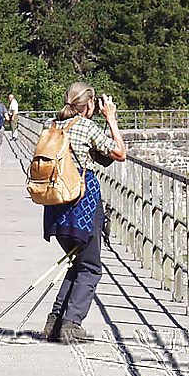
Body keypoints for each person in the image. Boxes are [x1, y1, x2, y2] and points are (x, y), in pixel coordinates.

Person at [42, 83, 126, 344]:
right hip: (81, 207)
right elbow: (120, 153)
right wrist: (111, 118)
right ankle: (71, 324)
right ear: (89, 105)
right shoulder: (86, 127)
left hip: (55, 206)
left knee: (76, 263)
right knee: (90, 267)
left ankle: (55, 322)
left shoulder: (52, 126)